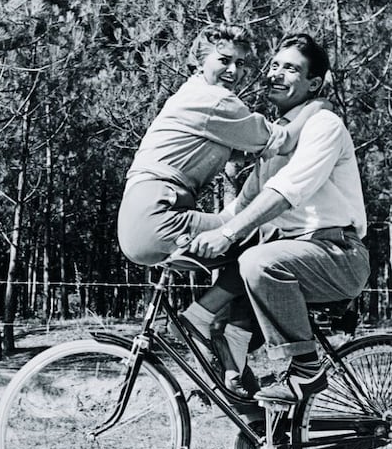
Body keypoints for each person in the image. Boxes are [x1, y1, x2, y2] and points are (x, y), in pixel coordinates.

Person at [184, 33, 370, 405]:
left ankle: (307, 371)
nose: (276, 74)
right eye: (274, 65)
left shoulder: (324, 125)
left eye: (291, 69)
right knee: (235, 313)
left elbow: (288, 191)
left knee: (256, 260)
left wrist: (228, 234)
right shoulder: (277, 140)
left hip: (337, 255)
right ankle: (264, 434)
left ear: (313, 84)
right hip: (290, 259)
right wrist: (181, 232)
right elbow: (238, 209)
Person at [117, 24, 329, 268]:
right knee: (276, 238)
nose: (232, 71)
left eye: (240, 64)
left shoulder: (190, 93)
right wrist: (316, 106)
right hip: (160, 214)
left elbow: (239, 153)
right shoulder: (215, 99)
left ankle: (205, 309)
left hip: (139, 219)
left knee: (241, 253)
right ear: (199, 61)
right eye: (224, 60)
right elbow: (285, 140)